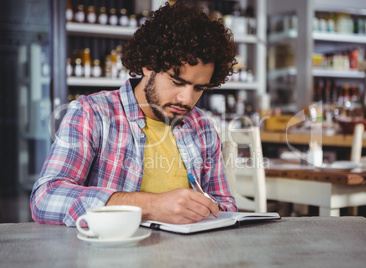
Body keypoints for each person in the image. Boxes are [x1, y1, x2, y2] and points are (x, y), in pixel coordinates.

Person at [30, 1, 238, 227]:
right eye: (178, 82)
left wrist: (209, 208)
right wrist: (150, 206)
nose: (187, 99)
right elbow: (45, 198)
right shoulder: (92, 114)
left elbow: (225, 204)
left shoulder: (202, 127)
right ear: (149, 65)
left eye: (199, 88)